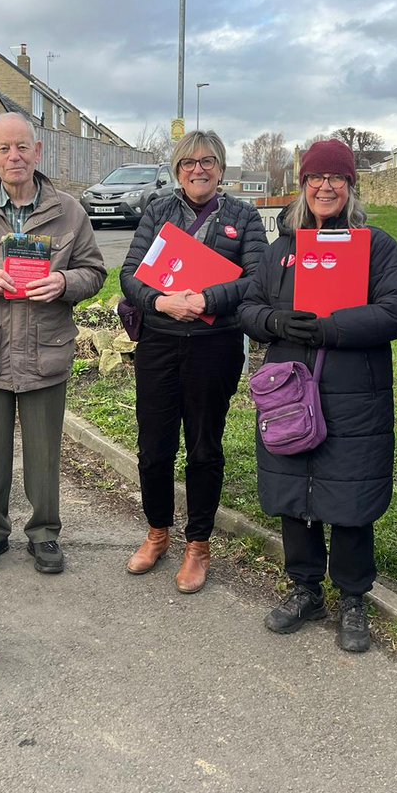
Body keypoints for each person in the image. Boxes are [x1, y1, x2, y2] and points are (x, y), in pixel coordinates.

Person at [238, 139, 397, 651]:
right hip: (289, 390)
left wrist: (333, 328)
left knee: (350, 494)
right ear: (303, 186)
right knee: (295, 488)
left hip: (353, 393)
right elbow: (247, 307)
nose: (326, 186)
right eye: (316, 178)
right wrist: (275, 320)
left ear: (351, 186)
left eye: (337, 178)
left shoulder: (376, 246)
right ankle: (305, 587)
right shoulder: (282, 251)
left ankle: (353, 598)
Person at [0, 112, 104, 575]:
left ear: (38, 152)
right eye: (4, 149)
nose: (14, 156)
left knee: (44, 450)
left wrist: (64, 282)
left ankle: (45, 534)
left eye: (23, 147)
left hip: (46, 348)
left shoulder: (69, 211)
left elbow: (94, 271)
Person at [120, 130, 267, 593]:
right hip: (159, 343)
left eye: (207, 162)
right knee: (154, 448)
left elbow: (258, 279)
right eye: (188, 162)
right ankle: (157, 532)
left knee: (204, 448)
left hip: (214, 345)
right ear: (177, 169)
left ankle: (198, 544)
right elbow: (129, 274)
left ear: (221, 169)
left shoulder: (243, 217)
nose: (197, 169)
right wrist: (160, 302)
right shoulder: (159, 210)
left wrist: (205, 299)